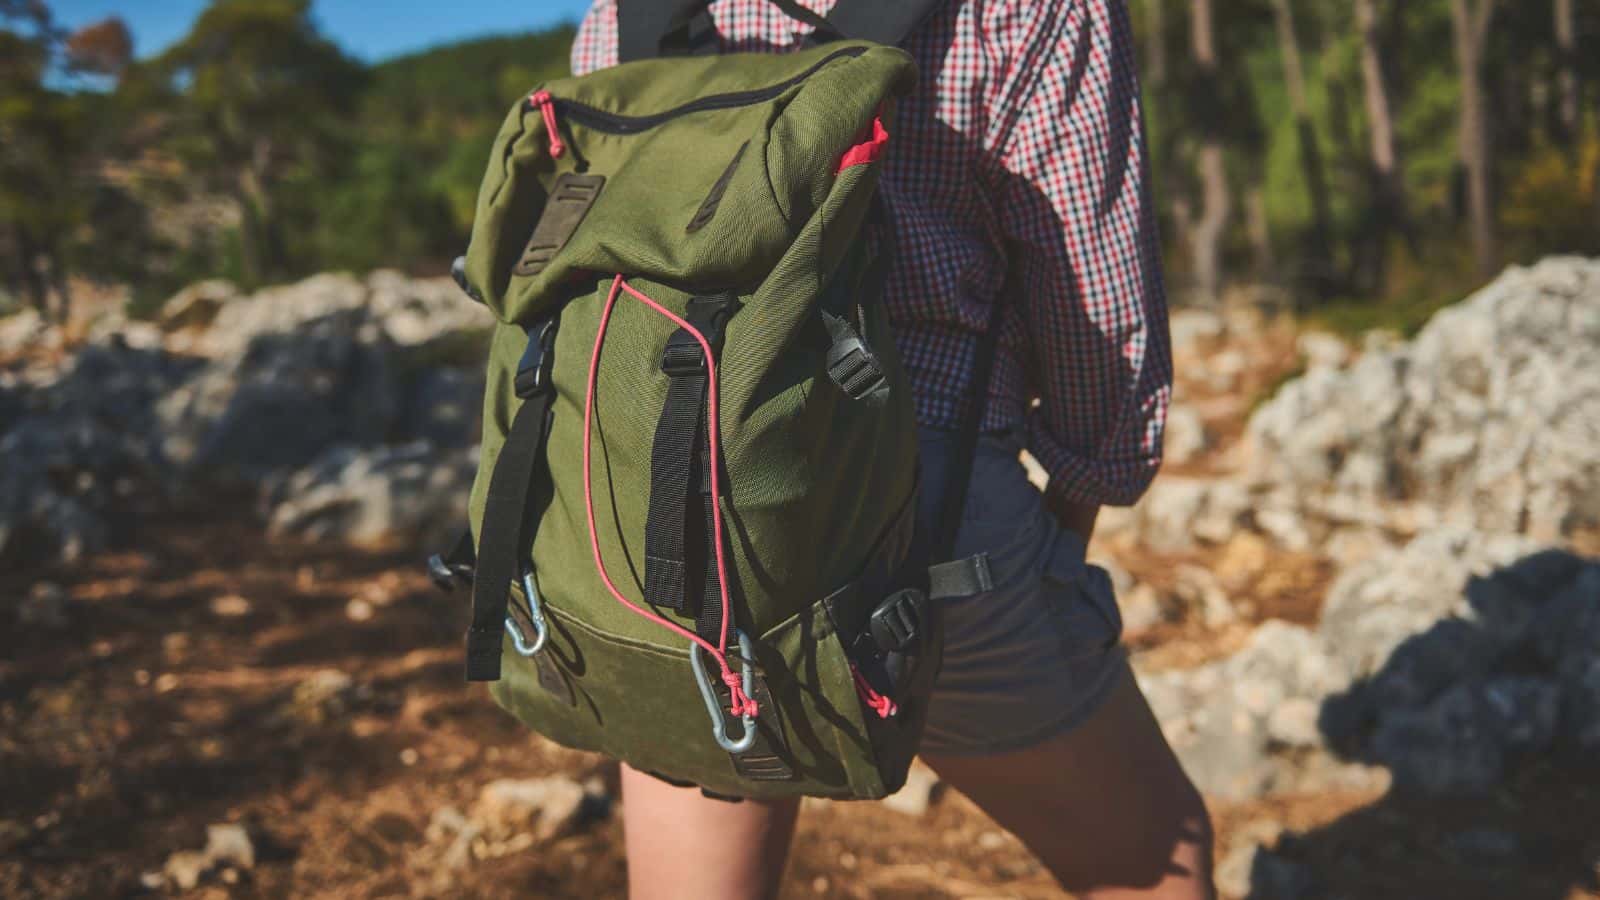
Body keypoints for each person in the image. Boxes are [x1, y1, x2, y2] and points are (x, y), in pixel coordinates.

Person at [571, 1, 1212, 897]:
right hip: (927, 519)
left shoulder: (626, 11)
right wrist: (1074, 516)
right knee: (1158, 858)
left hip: (663, 513)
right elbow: (1095, 312)